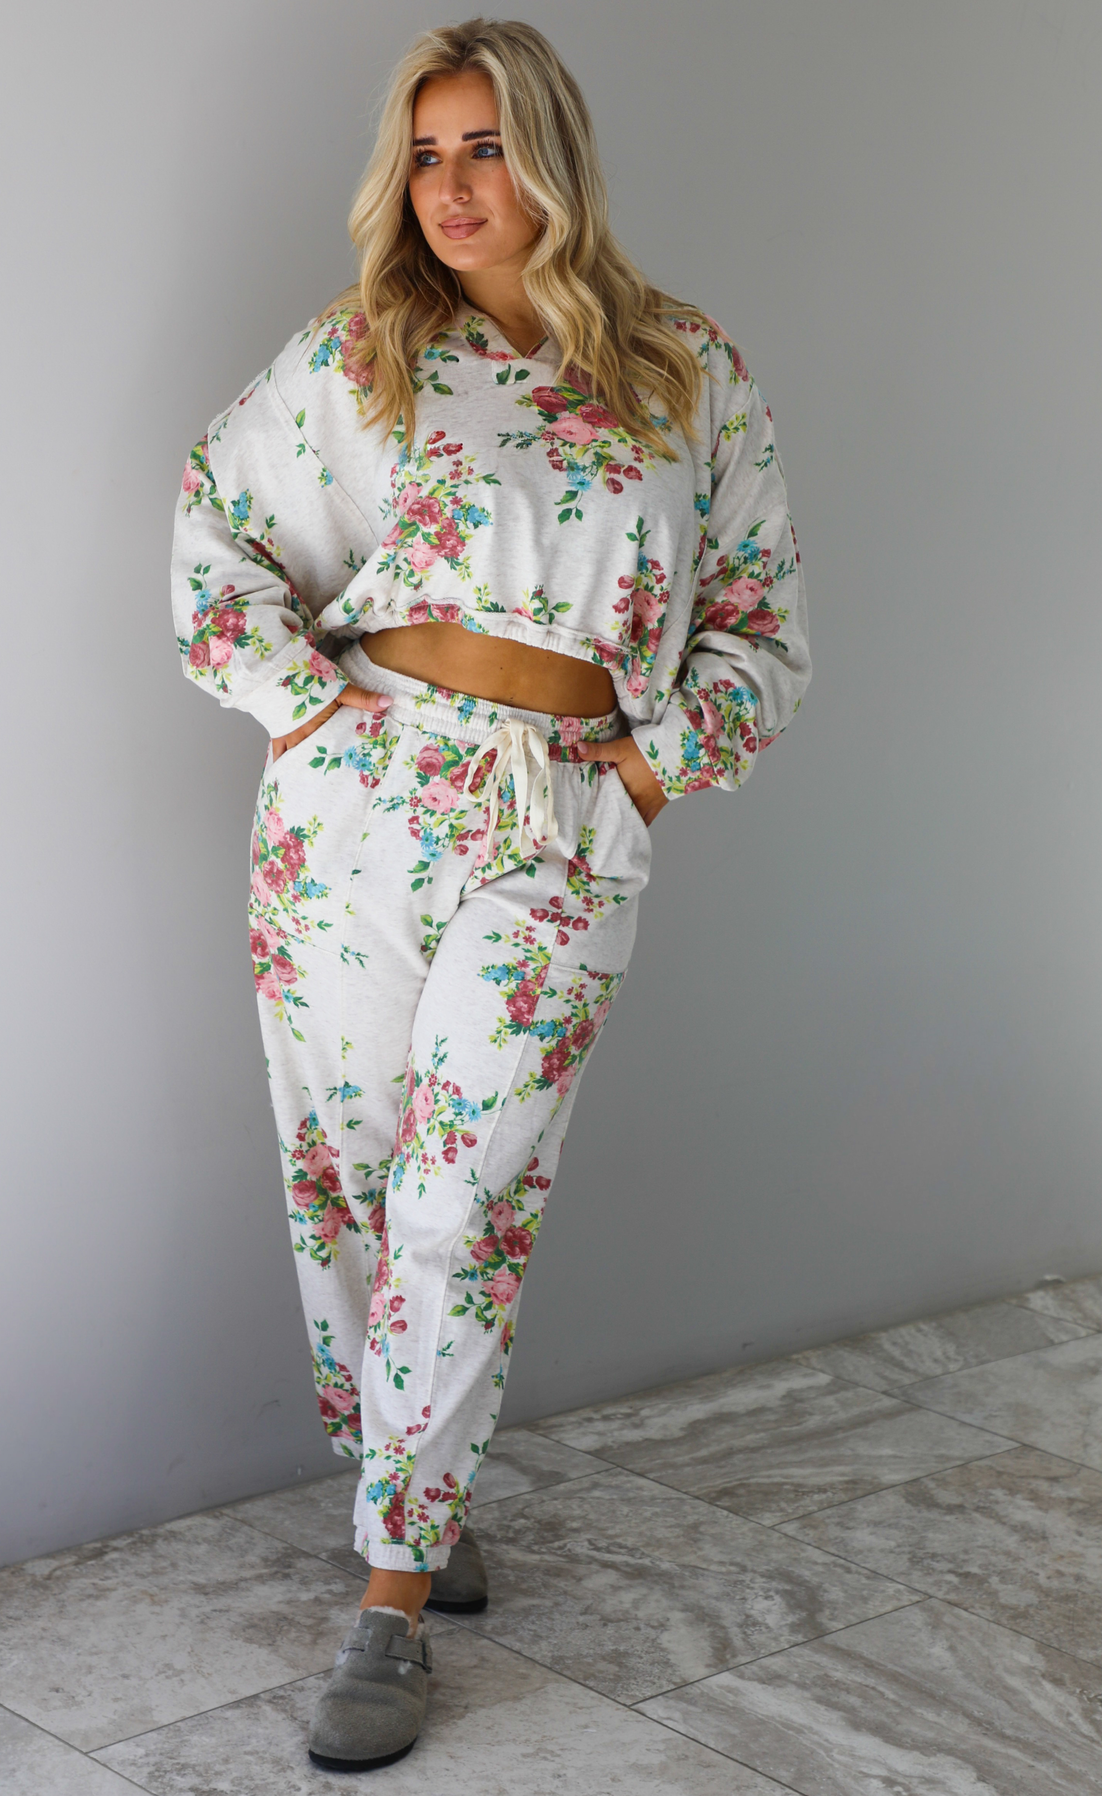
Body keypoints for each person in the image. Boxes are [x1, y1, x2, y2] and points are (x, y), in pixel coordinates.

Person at [171, 15, 810, 1771]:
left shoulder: (686, 373)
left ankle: (385, 1604)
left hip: (560, 823)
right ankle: (417, 1492)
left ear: (554, 155)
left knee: (469, 1200)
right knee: (355, 1179)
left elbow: (763, 621)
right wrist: (316, 714)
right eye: (430, 153)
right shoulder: (361, 354)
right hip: (353, 812)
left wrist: (667, 758)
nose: (457, 185)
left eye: (488, 147)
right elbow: (214, 535)